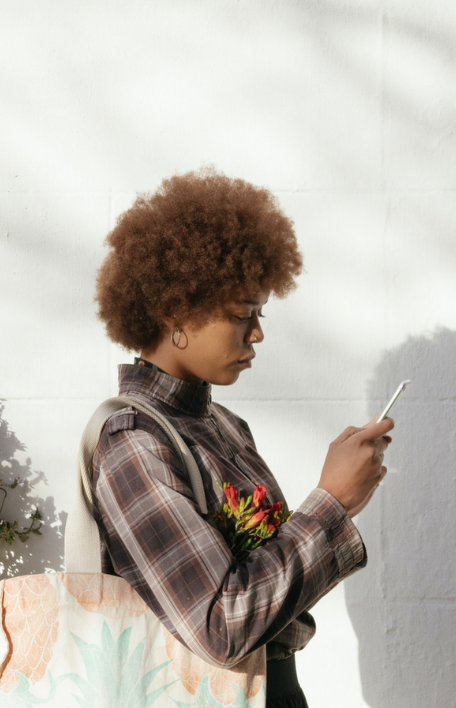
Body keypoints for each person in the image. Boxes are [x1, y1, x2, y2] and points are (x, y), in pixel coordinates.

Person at [92, 169, 392, 708]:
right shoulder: (134, 442)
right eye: (241, 315)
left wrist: (340, 503)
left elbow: (274, 611)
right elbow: (220, 626)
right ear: (175, 313)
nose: (257, 333)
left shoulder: (224, 427)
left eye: (259, 313)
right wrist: (331, 503)